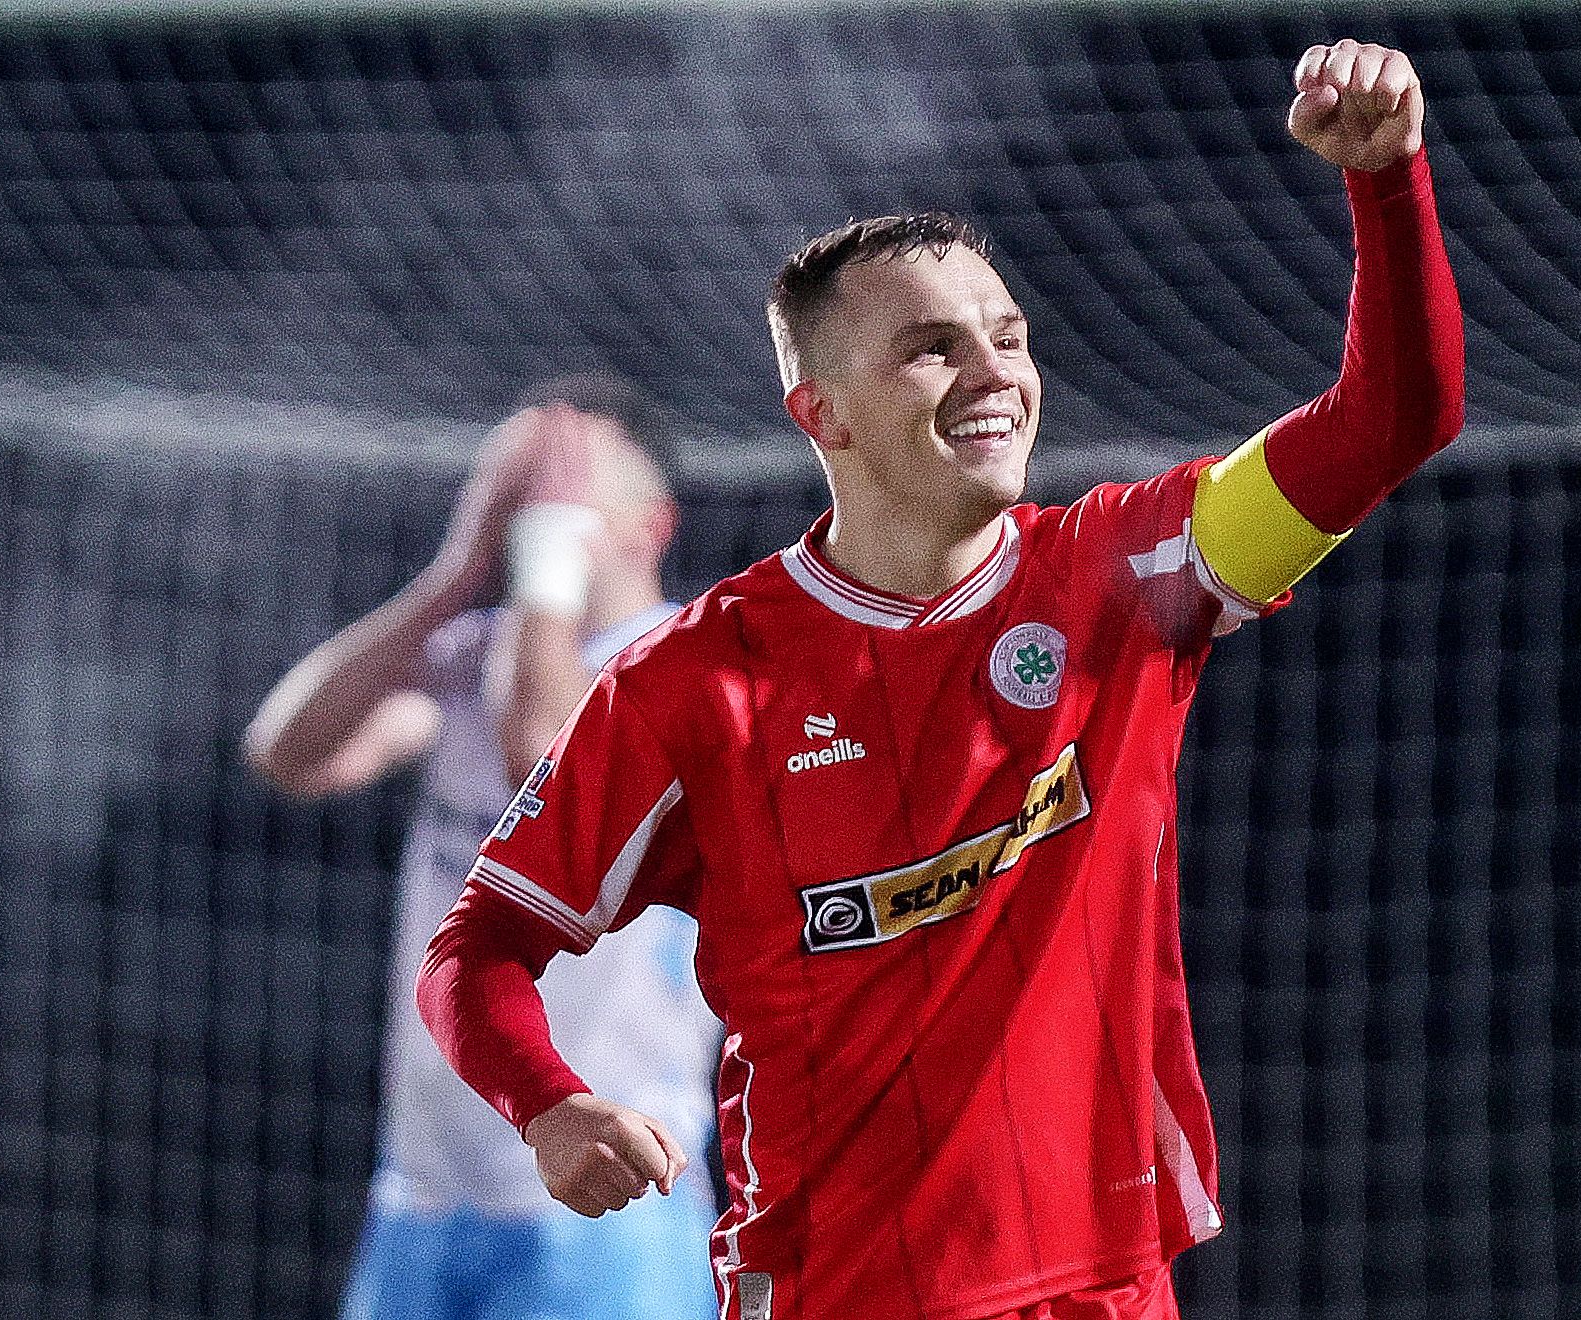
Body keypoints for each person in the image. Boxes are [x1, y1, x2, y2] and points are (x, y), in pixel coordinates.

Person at [417, 40, 1464, 1320]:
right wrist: (548, 1105)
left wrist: (1387, 181)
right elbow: (477, 950)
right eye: (931, 348)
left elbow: (1393, 418)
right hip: (843, 1291)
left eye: (1006, 337)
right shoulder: (696, 681)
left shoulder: (1127, 570)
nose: (994, 374)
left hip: (1101, 1286)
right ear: (822, 414)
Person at [243, 377, 721, 1320]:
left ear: (650, 525)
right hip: (426, 1194)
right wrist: (454, 574)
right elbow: (289, 752)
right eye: (518, 487)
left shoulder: (688, 665)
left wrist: (542, 556)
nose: (534, 506)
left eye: (568, 485)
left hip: (606, 1205)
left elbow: (540, 755)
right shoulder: (478, 653)